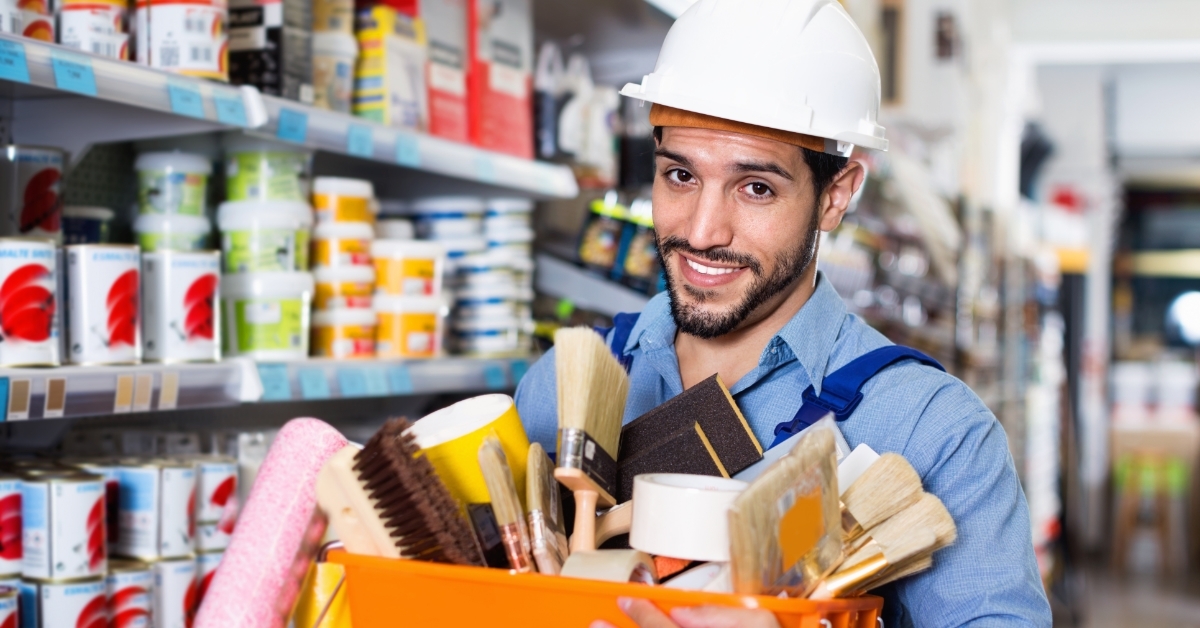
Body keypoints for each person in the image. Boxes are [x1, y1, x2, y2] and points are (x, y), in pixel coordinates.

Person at [514, 1, 1053, 626]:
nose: (703, 231)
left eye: (756, 188)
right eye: (681, 175)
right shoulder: (563, 388)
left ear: (837, 194)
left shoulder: (934, 433)